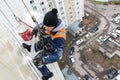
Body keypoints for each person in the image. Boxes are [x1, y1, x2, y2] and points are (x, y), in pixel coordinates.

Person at [22, 8, 66, 80]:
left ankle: (47, 74)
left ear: (54, 26)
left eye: (47, 27)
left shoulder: (59, 37)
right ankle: (31, 48)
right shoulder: (50, 24)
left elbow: (58, 55)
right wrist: (36, 29)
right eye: (45, 25)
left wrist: (44, 60)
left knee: (37, 61)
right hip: (47, 40)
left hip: (51, 49)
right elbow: (43, 24)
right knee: (39, 44)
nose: (45, 28)